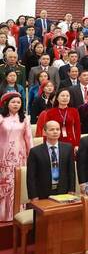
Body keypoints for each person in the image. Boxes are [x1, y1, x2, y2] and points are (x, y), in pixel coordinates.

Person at [0, 92, 31, 220]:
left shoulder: (25, 119)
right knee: (5, 183)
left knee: (18, 182)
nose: (16, 105)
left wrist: (32, 157)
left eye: (18, 102)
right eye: (13, 102)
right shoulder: (1, 118)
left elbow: (29, 139)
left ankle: (18, 212)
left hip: (20, 156)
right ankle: (3, 213)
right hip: (3, 156)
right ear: (7, 104)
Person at [26, 120, 75, 199]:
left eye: (57, 129)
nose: (55, 132)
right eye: (51, 129)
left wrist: (71, 190)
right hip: (43, 192)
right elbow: (31, 177)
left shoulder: (68, 148)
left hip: (63, 191)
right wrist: (33, 196)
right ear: (44, 132)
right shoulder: (35, 152)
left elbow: (71, 172)